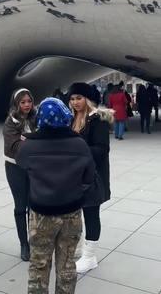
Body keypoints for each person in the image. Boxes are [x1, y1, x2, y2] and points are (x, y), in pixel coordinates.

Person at [16, 97, 95, 294]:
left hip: (41, 213)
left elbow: (21, 165)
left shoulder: (28, 146)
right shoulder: (79, 144)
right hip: (71, 213)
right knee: (67, 264)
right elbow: (89, 177)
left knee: (39, 264)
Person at [68, 82, 113, 273]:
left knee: (91, 214)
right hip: (75, 176)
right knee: (75, 213)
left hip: (93, 177)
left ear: (87, 99)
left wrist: (77, 149)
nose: (75, 102)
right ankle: (79, 248)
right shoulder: (72, 118)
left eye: (79, 98)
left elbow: (102, 149)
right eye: (72, 98)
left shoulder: (97, 119)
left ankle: (90, 257)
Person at [3, 88, 36, 261]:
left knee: (34, 205)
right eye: (23, 102)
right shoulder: (10, 122)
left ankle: (34, 239)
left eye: (29, 101)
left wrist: (25, 138)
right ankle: (24, 244)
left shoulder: (35, 118)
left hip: (34, 168)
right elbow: (14, 147)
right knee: (20, 206)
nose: (26, 105)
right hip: (15, 168)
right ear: (17, 104)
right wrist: (32, 139)